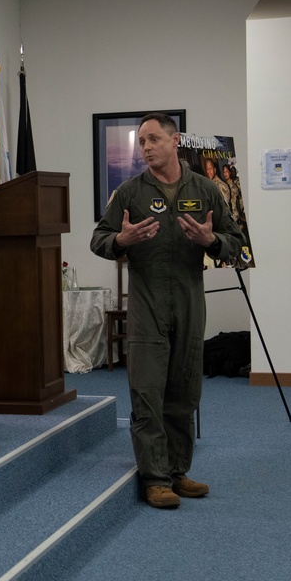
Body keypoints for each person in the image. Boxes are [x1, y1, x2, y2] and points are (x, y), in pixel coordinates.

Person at [90, 113, 245, 509]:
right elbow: (99, 240)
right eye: (141, 142)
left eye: (153, 139)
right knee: (147, 391)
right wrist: (121, 240)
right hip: (147, 304)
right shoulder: (129, 193)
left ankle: (178, 471)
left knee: (184, 391)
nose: (146, 148)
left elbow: (236, 241)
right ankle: (155, 478)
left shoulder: (206, 190)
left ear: (176, 141)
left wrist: (212, 240)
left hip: (191, 302)